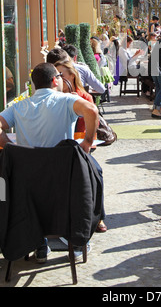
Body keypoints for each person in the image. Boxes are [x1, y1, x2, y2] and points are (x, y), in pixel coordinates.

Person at [0, 62, 101, 261]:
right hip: (63, 184)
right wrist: (88, 141)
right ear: (55, 80)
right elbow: (91, 110)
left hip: (26, 188)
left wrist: (7, 144)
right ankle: (77, 235)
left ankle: (39, 242)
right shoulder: (66, 101)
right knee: (94, 174)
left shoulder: (19, 106)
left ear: (34, 84)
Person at [55, 60, 107, 233]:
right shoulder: (53, 98)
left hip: (78, 147)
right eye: (56, 75)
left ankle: (98, 217)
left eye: (61, 75)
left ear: (71, 76)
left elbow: (92, 119)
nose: (58, 79)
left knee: (96, 173)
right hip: (58, 150)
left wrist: (87, 141)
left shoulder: (82, 97)